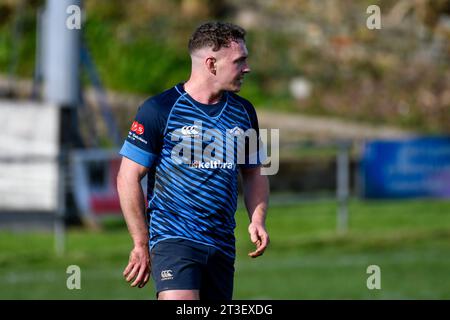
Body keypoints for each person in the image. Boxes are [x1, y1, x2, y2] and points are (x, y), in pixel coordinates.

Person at [117, 21, 270, 300]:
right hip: (173, 239)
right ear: (211, 64)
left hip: (222, 244)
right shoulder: (159, 109)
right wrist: (141, 242)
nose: (247, 68)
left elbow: (254, 171)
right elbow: (127, 176)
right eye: (239, 61)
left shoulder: (244, 112)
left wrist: (257, 219)